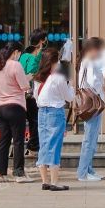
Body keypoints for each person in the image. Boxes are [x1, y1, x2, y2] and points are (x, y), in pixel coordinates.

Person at [0, 42, 34, 180]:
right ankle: (19, 173)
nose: (19, 56)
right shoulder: (16, 65)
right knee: (18, 141)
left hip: (0, 106)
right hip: (15, 106)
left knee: (4, 140)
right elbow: (24, 86)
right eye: (19, 53)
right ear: (15, 52)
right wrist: (29, 78)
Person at [33, 46, 73, 189]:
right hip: (55, 112)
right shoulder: (59, 77)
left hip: (41, 112)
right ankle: (55, 182)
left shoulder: (38, 77)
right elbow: (69, 97)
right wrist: (70, 85)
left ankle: (45, 181)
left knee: (44, 145)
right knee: (55, 146)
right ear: (55, 61)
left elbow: (36, 96)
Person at [72, 36, 105, 182]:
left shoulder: (85, 61)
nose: (100, 53)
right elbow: (92, 82)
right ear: (93, 49)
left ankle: (88, 170)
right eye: (99, 50)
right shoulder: (89, 61)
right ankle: (83, 172)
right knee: (90, 140)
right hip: (93, 105)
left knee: (91, 139)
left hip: (92, 104)